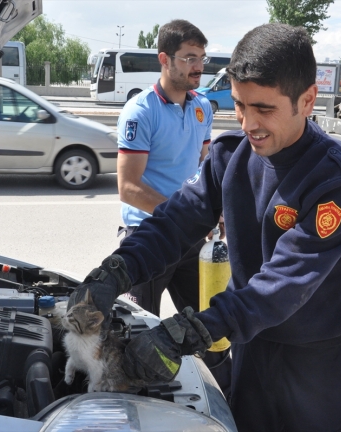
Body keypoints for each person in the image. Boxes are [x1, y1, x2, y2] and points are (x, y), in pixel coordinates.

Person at [73, 23, 341, 431]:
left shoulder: (338, 178)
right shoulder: (230, 157)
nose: (248, 124)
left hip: (315, 364)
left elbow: (284, 284)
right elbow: (174, 223)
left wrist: (188, 331)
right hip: (251, 347)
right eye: (240, 105)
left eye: (264, 109)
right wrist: (115, 271)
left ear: (307, 99)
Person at [114, 20, 232, 397]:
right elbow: (129, 188)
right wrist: (187, 213)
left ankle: (227, 397)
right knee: (134, 331)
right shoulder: (140, 112)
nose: (199, 66)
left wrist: (218, 208)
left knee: (208, 327)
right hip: (148, 237)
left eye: (202, 58)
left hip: (191, 240)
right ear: (165, 59)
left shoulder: (202, 107)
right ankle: (128, 403)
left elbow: (204, 166)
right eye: (190, 58)